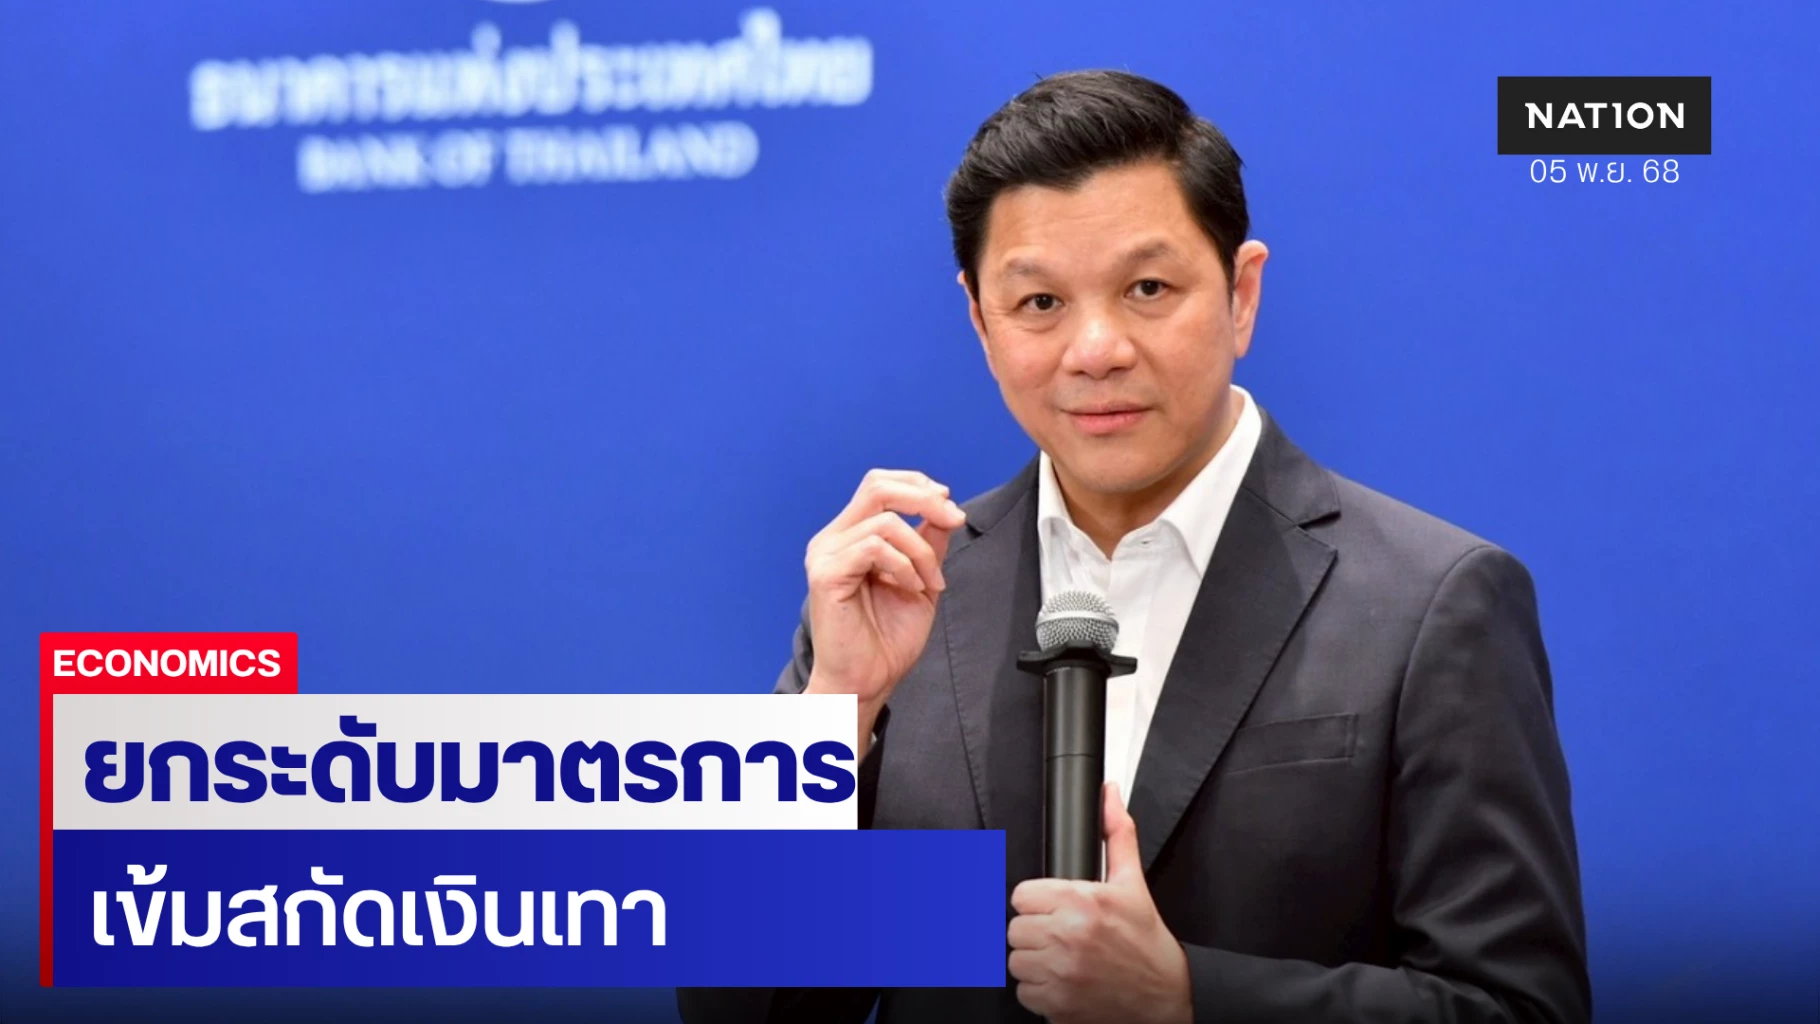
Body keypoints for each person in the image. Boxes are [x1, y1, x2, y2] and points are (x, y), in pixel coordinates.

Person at [679, 70, 1589, 1024]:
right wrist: (835, 717)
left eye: (1147, 288)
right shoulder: (909, 597)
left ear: (1241, 293)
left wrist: (1188, 997)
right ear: (980, 321)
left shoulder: (1429, 602)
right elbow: (744, 1009)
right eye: (1040, 303)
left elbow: (1516, 1007)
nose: (1096, 349)